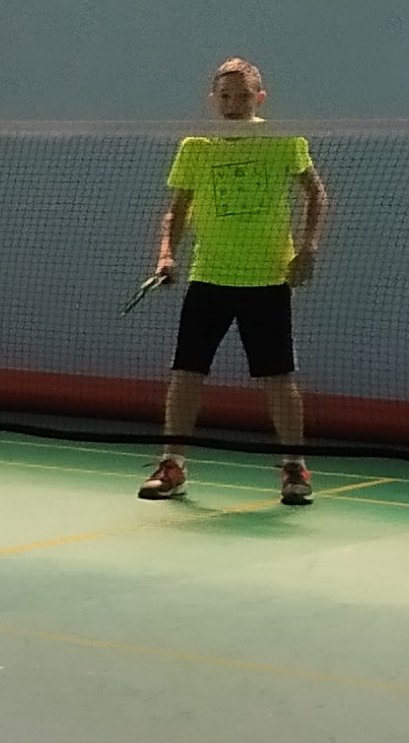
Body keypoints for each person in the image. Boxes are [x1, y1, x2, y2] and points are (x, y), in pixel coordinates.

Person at [141, 55, 330, 507]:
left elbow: (316, 195)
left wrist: (308, 247)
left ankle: (294, 467)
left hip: (267, 278)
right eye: (225, 96)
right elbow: (177, 209)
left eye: (242, 96)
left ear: (259, 98)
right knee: (186, 373)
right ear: (213, 99)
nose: (233, 103)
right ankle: (172, 465)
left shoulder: (284, 141)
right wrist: (166, 254)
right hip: (209, 276)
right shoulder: (196, 147)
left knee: (278, 377)